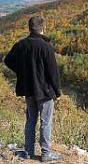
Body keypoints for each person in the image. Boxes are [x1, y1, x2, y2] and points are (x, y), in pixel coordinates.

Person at [4, 16, 63, 162]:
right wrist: (57, 91)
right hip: (44, 91)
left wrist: (22, 72)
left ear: (30, 28)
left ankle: (29, 151)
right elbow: (53, 72)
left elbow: (8, 60)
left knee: (31, 120)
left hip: (28, 89)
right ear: (43, 28)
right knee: (45, 121)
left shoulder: (21, 45)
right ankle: (46, 153)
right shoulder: (46, 47)